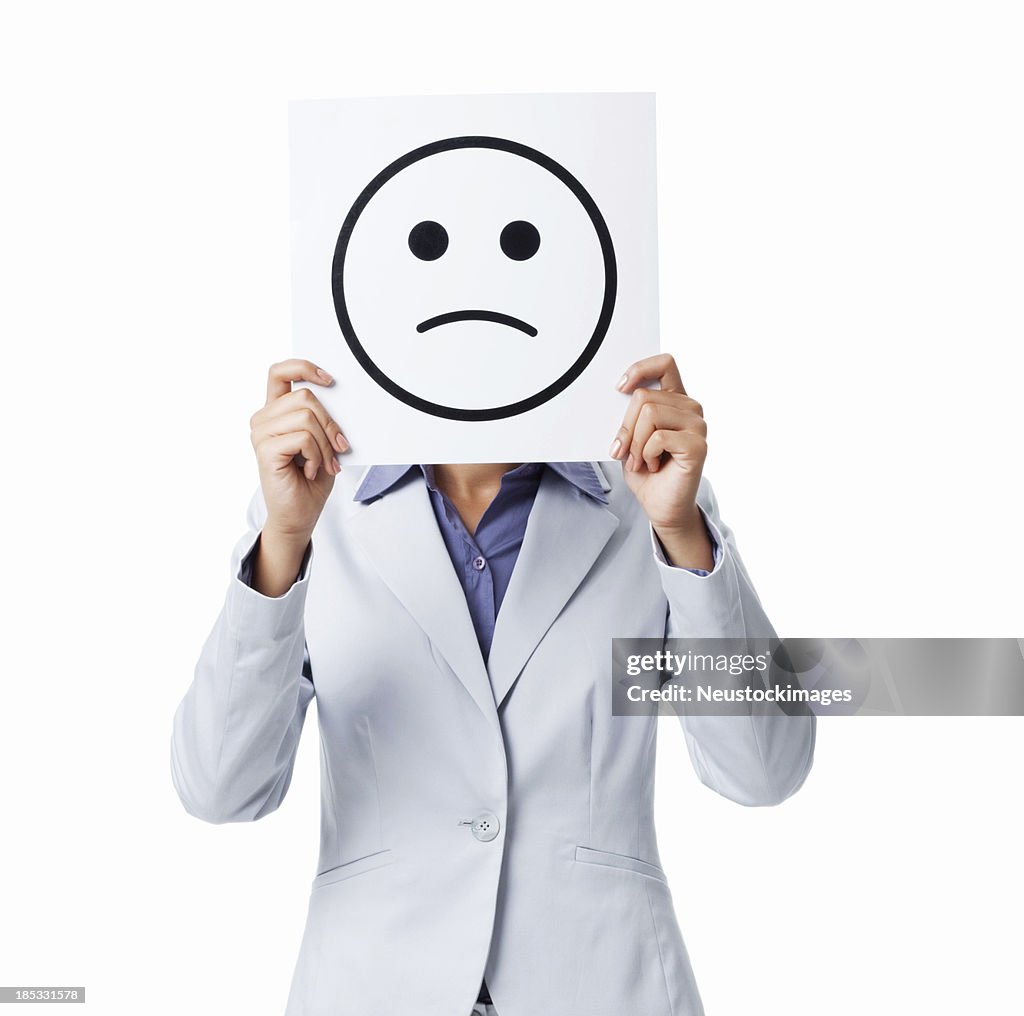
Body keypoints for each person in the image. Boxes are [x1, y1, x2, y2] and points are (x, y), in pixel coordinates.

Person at [171, 352, 815, 1016]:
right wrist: (283, 537)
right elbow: (221, 786)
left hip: (601, 984)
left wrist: (681, 530)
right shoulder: (313, 507)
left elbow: (764, 769)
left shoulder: (646, 495)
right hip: (374, 985)